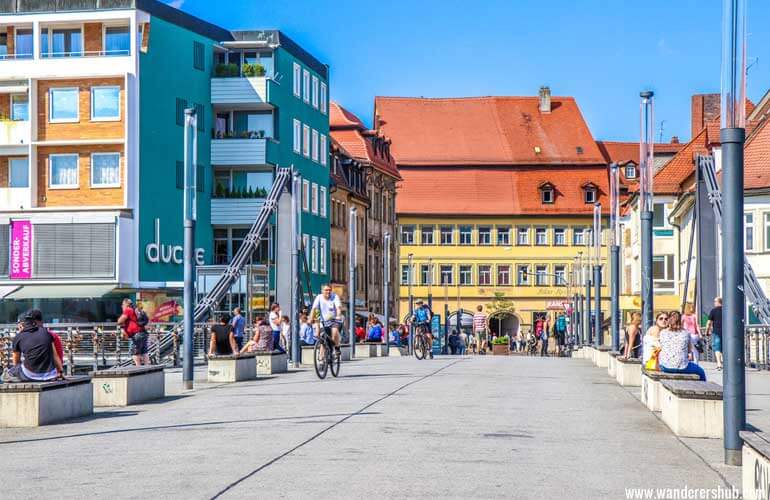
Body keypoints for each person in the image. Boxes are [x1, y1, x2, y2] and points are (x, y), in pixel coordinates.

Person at [2, 309, 64, 383]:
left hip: (30, 374)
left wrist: (18, 372)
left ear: (21, 325)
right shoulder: (46, 333)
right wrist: (60, 372)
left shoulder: (18, 337)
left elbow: (16, 361)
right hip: (50, 375)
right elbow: (55, 356)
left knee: (5, 375)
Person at [659, 311, 706, 381]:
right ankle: (703, 389)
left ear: (669, 320)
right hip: (682, 367)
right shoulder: (686, 333)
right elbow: (689, 351)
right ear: (680, 320)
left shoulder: (663, 332)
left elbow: (661, 347)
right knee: (701, 372)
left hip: (665, 366)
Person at [311, 285, 344, 355]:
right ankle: (321, 360)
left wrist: (338, 315)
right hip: (324, 322)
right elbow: (314, 309)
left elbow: (338, 308)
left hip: (334, 320)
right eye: (326, 290)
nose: (328, 292)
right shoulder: (319, 297)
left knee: (334, 331)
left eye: (329, 290)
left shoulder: (334, 296)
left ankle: (337, 347)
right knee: (323, 340)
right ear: (322, 291)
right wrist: (310, 318)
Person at [117, 298, 149, 366]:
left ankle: (138, 368)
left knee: (135, 353)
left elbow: (120, 321)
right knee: (144, 352)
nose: (121, 306)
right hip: (143, 333)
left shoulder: (128, 310)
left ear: (126, 304)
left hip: (136, 334)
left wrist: (120, 322)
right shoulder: (136, 310)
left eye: (122, 304)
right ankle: (147, 367)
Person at [706, 297, 723, 370]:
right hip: (726, 332)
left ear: (718, 302)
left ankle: (719, 364)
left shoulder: (713, 311)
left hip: (716, 332)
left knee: (717, 348)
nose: (714, 303)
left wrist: (707, 331)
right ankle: (725, 364)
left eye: (715, 301)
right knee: (724, 348)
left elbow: (709, 322)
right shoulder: (727, 310)